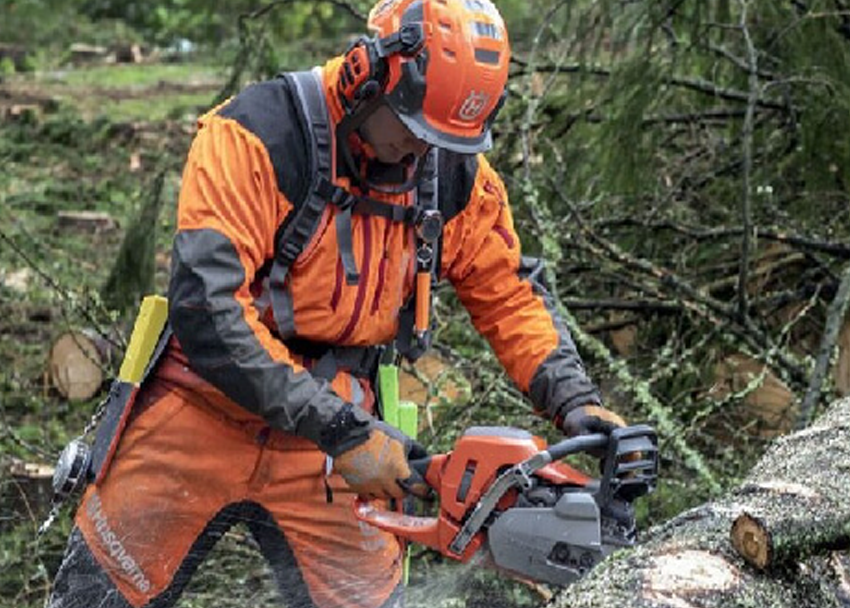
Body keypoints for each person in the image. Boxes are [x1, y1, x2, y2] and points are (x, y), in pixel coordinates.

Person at [46, 0, 627, 606]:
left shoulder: (452, 173)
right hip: (201, 410)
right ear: (367, 76)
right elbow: (208, 311)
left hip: (336, 442)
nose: (417, 153)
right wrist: (342, 430)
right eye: (411, 129)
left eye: (439, 140)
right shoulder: (257, 136)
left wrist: (575, 401)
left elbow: (507, 294)